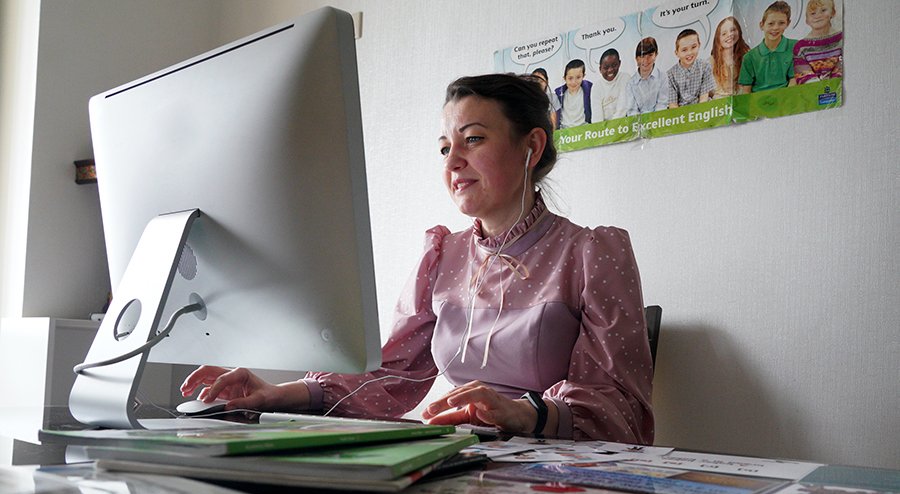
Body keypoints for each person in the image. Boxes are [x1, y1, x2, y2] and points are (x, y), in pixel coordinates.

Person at [181, 74, 655, 444]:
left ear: (531, 146)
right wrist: (277, 393)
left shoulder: (592, 253)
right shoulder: (442, 254)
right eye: (445, 147)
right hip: (458, 456)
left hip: (554, 475)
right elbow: (393, 375)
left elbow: (620, 411)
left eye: (473, 139)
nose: (451, 163)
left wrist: (526, 412)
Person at [738, 1, 797, 93]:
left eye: (781, 23)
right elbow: (746, 90)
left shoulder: (795, 47)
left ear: (788, 23)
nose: (775, 28)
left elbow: (794, 79)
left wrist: (784, 99)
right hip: (758, 100)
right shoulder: (749, 57)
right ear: (762, 25)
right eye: (771, 23)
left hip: (786, 97)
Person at [793, 0, 843, 85]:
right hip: (813, 90)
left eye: (823, 10)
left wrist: (833, 84)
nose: (818, 16)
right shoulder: (800, 47)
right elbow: (802, 74)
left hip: (838, 88)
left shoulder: (842, 39)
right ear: (807, 20)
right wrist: (818, 87)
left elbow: (843, 67)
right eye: (813, 13)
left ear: (833, 12)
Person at [666, 29, 715, 108]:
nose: (689, 53)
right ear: (677, 53)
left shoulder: (705, 66)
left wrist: (699, 113)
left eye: (693, 47)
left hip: (703, 108)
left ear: (699, 45)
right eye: (684, 50)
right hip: (681, 111)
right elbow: (673, 104)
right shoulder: (670, 75)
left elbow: (704, 98)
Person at [623, 37, 668, 116]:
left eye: (650, 55)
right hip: (639, 122)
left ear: (656, 55)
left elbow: (662, 105)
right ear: (637, 59)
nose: (646, 60)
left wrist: (654, 121)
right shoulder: (630, 84)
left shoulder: (663, 77)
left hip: (659, 119)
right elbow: (632, 111)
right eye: (642, 56)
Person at [710, 16, 751, 99]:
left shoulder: (747, 55)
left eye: (733, 30)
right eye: (724, 34)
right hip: (720, 101)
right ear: (718, 38)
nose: (730, 35)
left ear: (739, 31)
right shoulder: (711, 61)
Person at [591, 48, 630, 121]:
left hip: (622, 123)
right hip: (604, 127)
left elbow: (622, 109)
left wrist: (613, 127)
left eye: (614, 65)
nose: (610, 70)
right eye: (606, 67)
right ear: (600, 69)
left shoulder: (625, 78)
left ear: (619, 63)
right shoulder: (596, 87)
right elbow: (597, 118)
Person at [554, 59, 593, 129]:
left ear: (583, 76)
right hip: (565, 131)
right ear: (564, 78)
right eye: (570, 78)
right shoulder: (559, 95)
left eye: (578, 77)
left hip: (585, 130)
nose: (574, 82)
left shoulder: (589, 90)